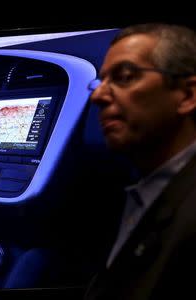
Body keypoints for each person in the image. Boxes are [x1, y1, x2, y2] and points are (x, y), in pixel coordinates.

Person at [84, 23, 196, 299]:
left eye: (123, 76)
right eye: (99, 82)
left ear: (187, 95)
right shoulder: (137, 190)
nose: (97, 96)